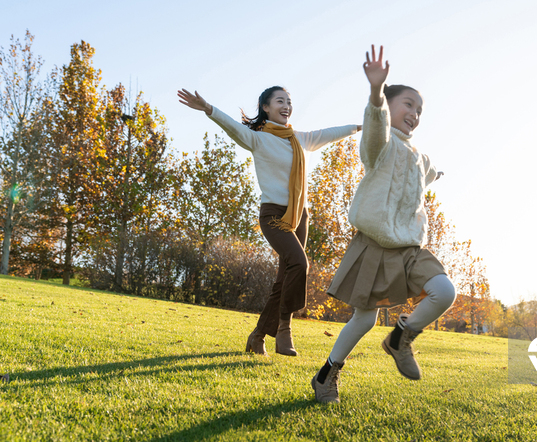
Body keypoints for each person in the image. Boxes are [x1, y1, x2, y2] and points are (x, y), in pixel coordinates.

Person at [311, 46, 456, 404]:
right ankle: (327, 375)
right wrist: (376, 91)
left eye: (419, 110)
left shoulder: (419, 156)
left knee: (445, 291)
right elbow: (376, 126)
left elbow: (422, 176)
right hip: (375, 244)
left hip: (410, 248)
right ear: (391, 107)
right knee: (363, 319)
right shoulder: (381, 145)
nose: (415, 114)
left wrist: (435, 175)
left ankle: (399, 338)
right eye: (408, 104)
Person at [178, 86, 360, 357]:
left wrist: (361, 126)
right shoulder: (258, 138)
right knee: (299, 263)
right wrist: (208, 108)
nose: (286, 105)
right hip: (274, 215)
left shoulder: (301, 139)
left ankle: (258, 336)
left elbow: (331, 133)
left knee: (283, 279)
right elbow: (231, 127)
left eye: (289, 101)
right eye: (280, 101)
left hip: (299, 216)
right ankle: (285, 329)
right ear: (266, 107)